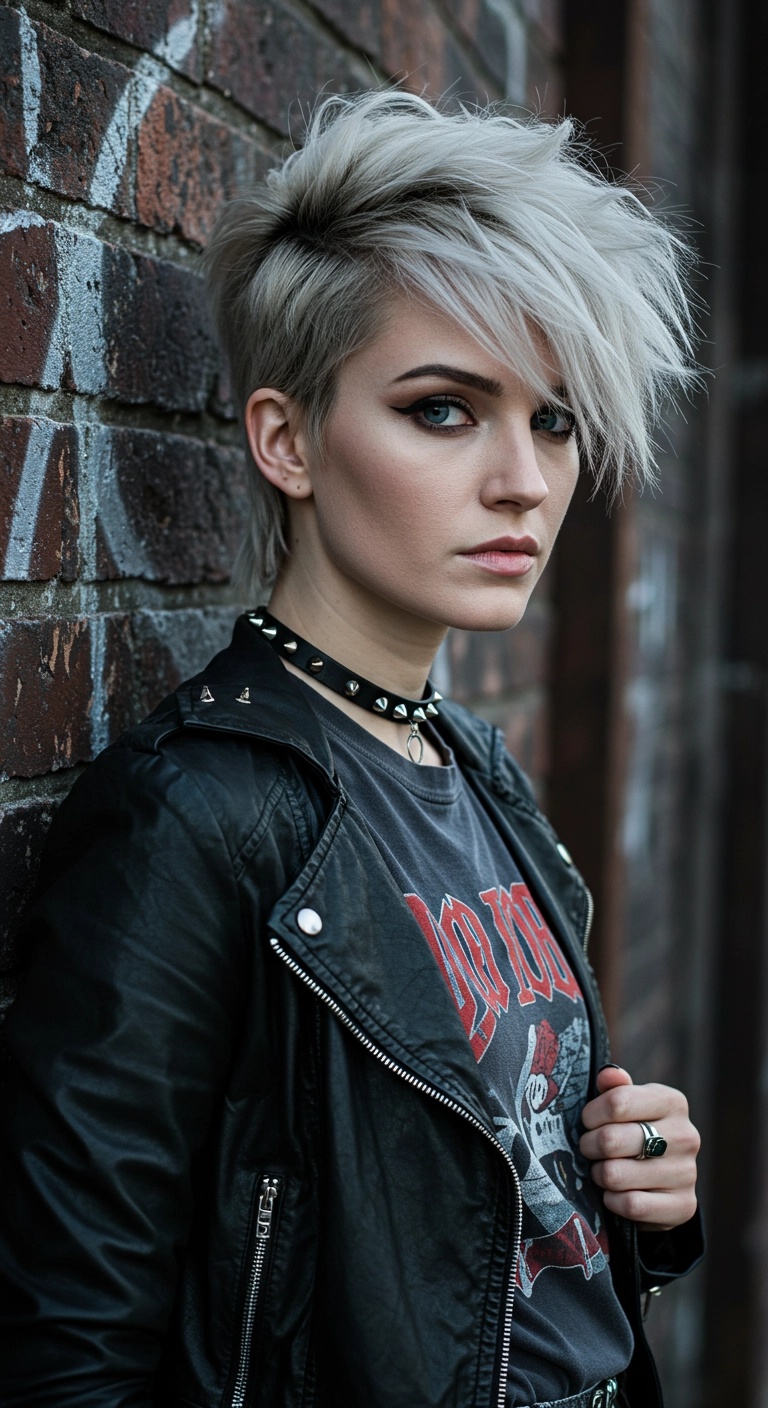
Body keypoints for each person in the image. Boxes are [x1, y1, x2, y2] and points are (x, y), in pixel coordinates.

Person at [0, 91, 704, 1408]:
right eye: (445, 409)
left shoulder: (480, 772)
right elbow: (69, 1343)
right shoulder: (194, 817)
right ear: (289, 438)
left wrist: (641, 1201)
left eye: (552, 419)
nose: (525, 481)